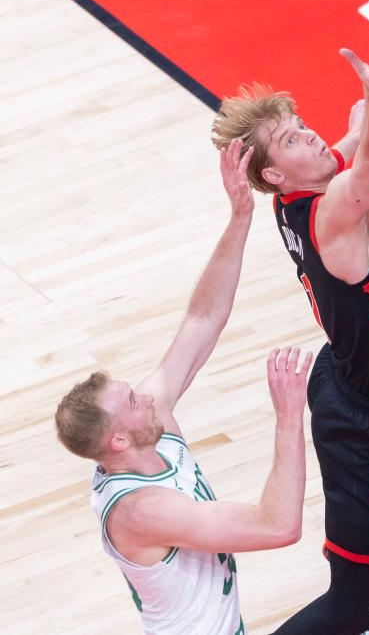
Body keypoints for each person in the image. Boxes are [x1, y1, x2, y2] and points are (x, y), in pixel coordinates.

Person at [54, 140, 310, 635]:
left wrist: (239, 218)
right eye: (133, 400)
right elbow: (278, 525)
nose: (149, 395)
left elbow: (203, 317)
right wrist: (287, 415)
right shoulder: (142, 511)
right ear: (118, 439)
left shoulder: (150, 431)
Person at [210, 50, 369, 634]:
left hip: (342, 378)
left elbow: (352, 142)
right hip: (368, 425)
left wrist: (360, 118)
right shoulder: (333, 214)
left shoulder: (296, 197)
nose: (309, 136)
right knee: (356, 604)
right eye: (291, 139)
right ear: (275, 176)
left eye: (301, 125)